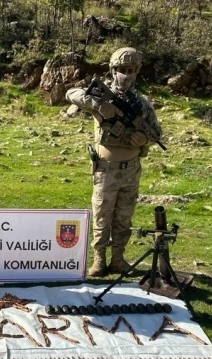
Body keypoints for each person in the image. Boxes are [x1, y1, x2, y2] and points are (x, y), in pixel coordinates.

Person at [66, 47, 162, 277]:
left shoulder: (142, 104)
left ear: (137, 72)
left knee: (123, 217)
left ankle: (118, 259)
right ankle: (99, 260)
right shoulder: (101, 96)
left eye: (131, 70)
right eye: (121, 70)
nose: (126, 75)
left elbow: (157, 133)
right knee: (102, 215)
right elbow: (72, 94)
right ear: (113, 70)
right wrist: (98, 105)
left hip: (130, 169)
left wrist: (143, 141)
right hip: (105, 170)